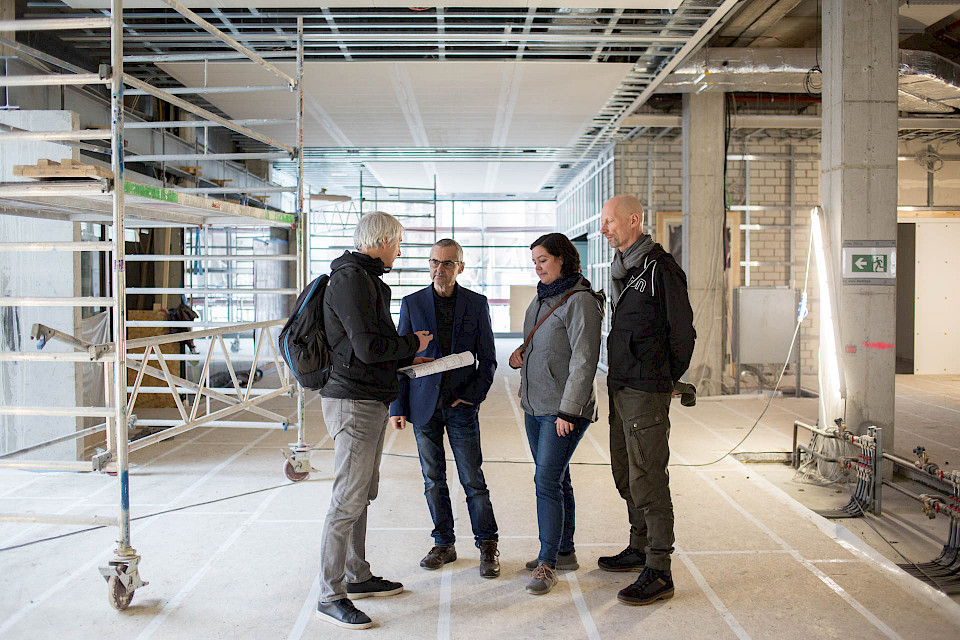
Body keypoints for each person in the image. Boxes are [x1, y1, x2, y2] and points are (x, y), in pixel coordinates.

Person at [316, 211, 434, 630]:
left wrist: (405, 355)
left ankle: (357, 575)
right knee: (346, 499)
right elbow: (368, 348)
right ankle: (330, 594)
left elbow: (368, 345)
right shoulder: (351, 279)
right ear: (381, 240)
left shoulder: (364, 279)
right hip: (352, 401)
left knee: (362, 493)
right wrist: (410, 342)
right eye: (398, 243)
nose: (400, 251)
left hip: (367, 398)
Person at [597, 194, 695, 606]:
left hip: (645, 391)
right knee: (625, 472)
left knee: (649, 478)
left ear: (634, 220)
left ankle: (659, 569)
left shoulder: (660, 269)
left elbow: (683, 333)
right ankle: (638, 546)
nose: (604, 229)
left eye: (610, 222)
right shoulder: (625, 271)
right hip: (621, 386)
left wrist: (664, 379)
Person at [389, 239, 500, 578]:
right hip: (424, 407)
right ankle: (444, 543)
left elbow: (489, 360)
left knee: (472, 479)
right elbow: (400, 358)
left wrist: (473, 396)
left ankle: (487, 545)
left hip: (461, 406)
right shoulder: (411, 303)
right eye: (435, 262)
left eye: (448, 263)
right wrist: (398, 406)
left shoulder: (476, 304)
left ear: (460, 267)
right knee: (432, 479)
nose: (440, 268)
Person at [509, 232, 603, 596]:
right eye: (534, 261)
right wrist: (522, 354)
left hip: (563, 411)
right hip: (536, 405)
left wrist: (569, 410)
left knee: (546, 481)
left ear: (563, 258)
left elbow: (584, 360)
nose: (538, 267)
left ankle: (548, 563)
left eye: (543, 260)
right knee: (557, 478)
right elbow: (543, 342)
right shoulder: (541, 296)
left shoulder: (580, 300)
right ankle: (564, 551)